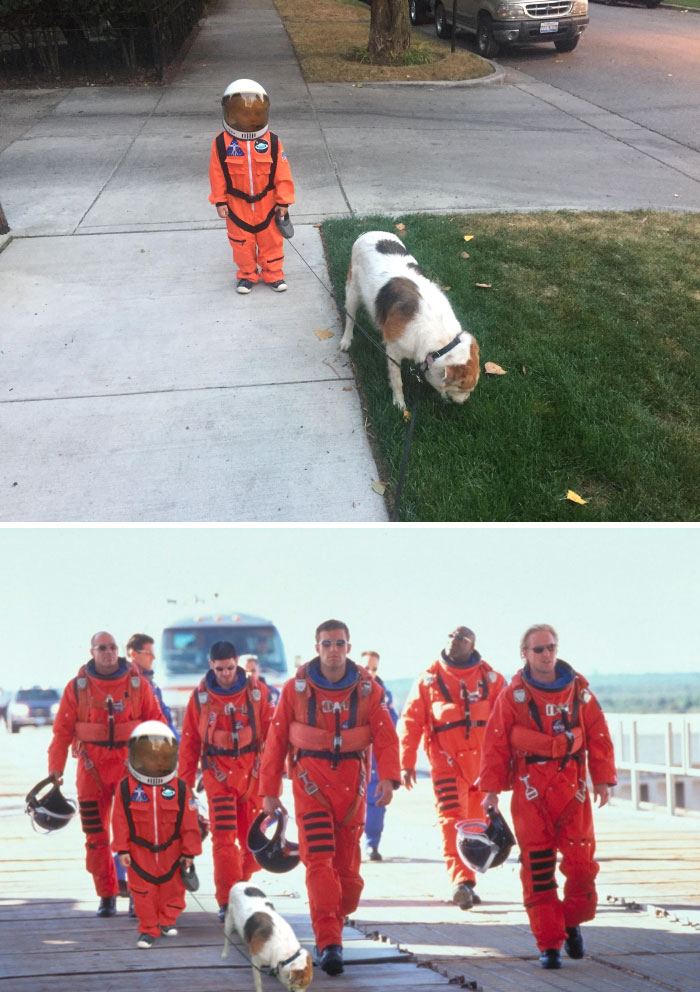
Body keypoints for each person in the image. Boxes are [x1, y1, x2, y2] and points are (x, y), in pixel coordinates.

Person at [259, 620, 401, 977]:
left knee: (348, 879)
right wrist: (269, 792)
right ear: (317, 647)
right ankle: (329, 943)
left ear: (349, 647)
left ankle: (334, 923)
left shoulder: (368, 690)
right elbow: (276, 742)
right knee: (319, 862)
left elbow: (385, 736)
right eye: (327, 644)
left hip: (353, 792)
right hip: (311, 789)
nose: (333, 650)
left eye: (339, 643)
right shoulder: (295, 690)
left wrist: (387, 778)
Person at [478, 624, 617, 970]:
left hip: (574, 792)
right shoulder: (513, 696)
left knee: (582, 869)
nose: (546, 654)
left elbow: (597, 733)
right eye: (538, 649)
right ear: (524, 653)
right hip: (531, 794)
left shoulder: (578, 691)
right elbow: (495, 743)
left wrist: (602, 780)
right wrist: (491, 792)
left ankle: (570, 922)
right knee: (538, 872)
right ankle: (549, 944)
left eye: (550, 647)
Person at [47, 631, 166, 917]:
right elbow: (62, 732)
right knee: (95, 835)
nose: (109, 652)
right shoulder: (77, 688)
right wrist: (55, 771)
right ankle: (107, 895)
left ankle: (138, 894)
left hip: (130, 766)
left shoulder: (138, 684)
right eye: (103, 648)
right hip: (92, 768)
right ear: (92, 652)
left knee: (137, 835)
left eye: (113, 647)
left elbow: (157, 722)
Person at [398, 626, 506, 909]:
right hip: (446, 763)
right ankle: (462, 881)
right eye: (451, 636)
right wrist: (406, 762)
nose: (455, 640)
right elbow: (411, 721)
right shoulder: (429, 680)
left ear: (472, 646)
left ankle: (470, 879)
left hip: (483, 766)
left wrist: (510, 762)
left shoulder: (491, 680)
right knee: (452, 822)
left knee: (479, 824)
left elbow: (509, 722)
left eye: (462, 638)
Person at [178, 640, 274, 921]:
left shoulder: (256, 692)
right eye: (220, 669)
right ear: (211, 666)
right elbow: (189, 744)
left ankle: (242, 892)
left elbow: (273, 736)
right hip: (217, 776)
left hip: (252, 775)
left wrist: (273, 781)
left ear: (237, 664)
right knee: (223, 840)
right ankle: (226, 901)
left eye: (231, 668)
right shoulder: (200, 698)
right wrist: (185, 789)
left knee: (252, 842)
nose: (226, 674)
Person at [112, 721, 202, 948]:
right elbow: (120, 820)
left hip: (172, 852)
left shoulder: (181, 788)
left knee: (174, 892)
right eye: (152, 757)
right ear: (138, 757)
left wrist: (189, 853)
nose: (158, 763)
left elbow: (189, 823)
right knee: (142, 893)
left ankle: (166, 920)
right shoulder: (126, 788)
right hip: (139, 852)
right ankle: (148, 929)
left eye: (163, 758)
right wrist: (122, 849)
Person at [209, 78, 295, 294]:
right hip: (237, 206)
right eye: (244, 114)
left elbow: (282, 173)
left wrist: (283, 201)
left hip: (267, 204)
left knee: (271, 242)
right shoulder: (222, 144)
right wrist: (219, 200)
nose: (250, 118)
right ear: (230, 113)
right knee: (241, 244)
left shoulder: (272, 142)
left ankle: (273, 274)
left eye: (256, 113)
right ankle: (247, 275)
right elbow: (217, 174)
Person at [113, 633, 180, 905]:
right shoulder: (125, 684)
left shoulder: (151, 685)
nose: (153, 657)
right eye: (148, 652)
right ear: (133, 654)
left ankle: (129, 884)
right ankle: (129, 885)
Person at [360, 651, 398, 862]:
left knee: (376, 800)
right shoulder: (344, 688)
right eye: (366, 667)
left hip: (374, 754)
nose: (370, 672)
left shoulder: (384, 694)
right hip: (352, 751)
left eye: (374, 669)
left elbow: (391, 723)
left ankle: (372, 843)